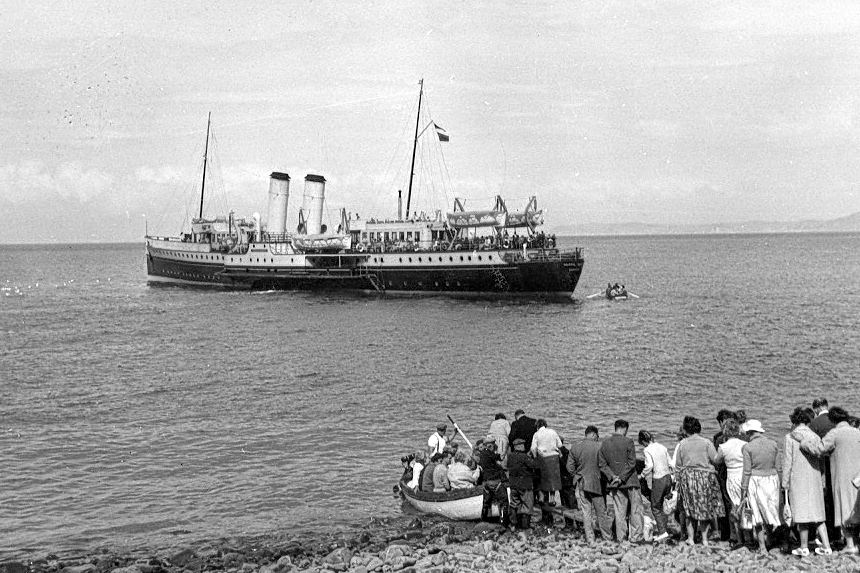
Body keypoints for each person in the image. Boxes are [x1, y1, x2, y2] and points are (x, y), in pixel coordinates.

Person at [783, 406, 832, 556]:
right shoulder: (815, 436)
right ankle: (826, 546)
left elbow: (787, 462)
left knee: (801, 515)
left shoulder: (790, 437)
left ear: (794, 421)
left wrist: (785, 483)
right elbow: (822, 459)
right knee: (818, 515)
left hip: (798, 478)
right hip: (815, 477)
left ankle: (803, 546)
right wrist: (821, 476)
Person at [675, 415, 724, 547]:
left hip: (688, 477)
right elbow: (715, 459)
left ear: (685, 430)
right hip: (705, 477)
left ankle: (690, 538)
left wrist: (678, 482)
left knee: (689, 509)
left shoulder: (682, 444)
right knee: (704, 508)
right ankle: (704, 539)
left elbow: (678, 465)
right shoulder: (706, 442)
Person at [821, 406, 860, 554]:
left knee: (844, 508)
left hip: (842, 476)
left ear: (832, 420)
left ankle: (850, 545)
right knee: (857, 509)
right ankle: (857, 541)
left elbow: (821, 448)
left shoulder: (835, 433)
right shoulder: (856, 432)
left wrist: (805, 443)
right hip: (857, 476)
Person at [598, 419, 643, 542]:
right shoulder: (628, 441)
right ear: (625, 429)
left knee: (619, 512)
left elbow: (602, 464)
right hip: (630, 481)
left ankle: (621, 537)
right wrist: (622, 477)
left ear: (615, 427)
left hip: (615, 484)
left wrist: (613, 477)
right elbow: (631, 462)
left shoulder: (605, 443)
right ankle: (635, 537)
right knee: (635, 510)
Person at [740, 419, 780, 554]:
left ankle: (762, 546)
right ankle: (771, 540)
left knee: (757, 515)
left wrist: (743, 489)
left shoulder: (747, 447)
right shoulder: (773, 444)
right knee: (769, 512)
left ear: (749, 432)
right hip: (772, 479)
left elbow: (747, 471)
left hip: (755, 480)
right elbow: (778, 467)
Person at [567, 426, 612, 544]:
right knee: (601, 512)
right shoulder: (600, 446)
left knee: (586, 512)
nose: (598, 438)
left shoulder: (575, 447)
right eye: (597, 436)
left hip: (581, 481)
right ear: (593, 434)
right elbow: (605, 465)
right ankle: (606, 537)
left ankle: (590, 538)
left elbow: (569, 467)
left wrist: (577, 475)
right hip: (596, 483)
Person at [714, 418, 747, 548]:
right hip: (743, 475)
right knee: (746, 505)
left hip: (732, 476)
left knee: (734, 506)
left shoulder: (723, 446)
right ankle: (749, 535)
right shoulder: (744, 444)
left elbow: (717, 461)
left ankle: (738, 537)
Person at [639, 430, 672, 542]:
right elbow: (670, 462)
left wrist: (642, 475)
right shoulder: (662, 446)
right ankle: (664, 529)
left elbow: (649, 465)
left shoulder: (647, 450)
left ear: (643, 441)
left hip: (659, 479)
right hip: (668, 477)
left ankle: (662, 533)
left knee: (655, 507)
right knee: (665, 505)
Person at [507, 438, 539, 530]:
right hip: (524, 485)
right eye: (523, 445)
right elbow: (534, 465)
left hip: (513, 484)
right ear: (520, 446)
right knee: (527, 505)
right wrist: (535, 456)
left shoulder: (510, 456)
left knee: (514, 504)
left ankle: (514, 524)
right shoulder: (524, 457)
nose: (524, 446)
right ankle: (525, 526)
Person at [531, 418, 563, 506]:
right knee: (553, 479)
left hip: (543, 457)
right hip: (553, 457)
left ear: (537, 426)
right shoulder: (553, 432)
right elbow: (560, 444)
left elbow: (533, 448)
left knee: (542, 478)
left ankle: (541, 498)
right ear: (545, 425)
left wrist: (535, 457)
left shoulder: (536, 434)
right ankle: (552, 500)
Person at [477, 441, 508, 524]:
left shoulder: (482, 455)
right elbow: (499, 458)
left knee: (486, 503)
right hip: (494, 481)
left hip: (486, 482)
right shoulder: (491, 455)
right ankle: (503, 523)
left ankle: (484, 521)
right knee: (503, 501)